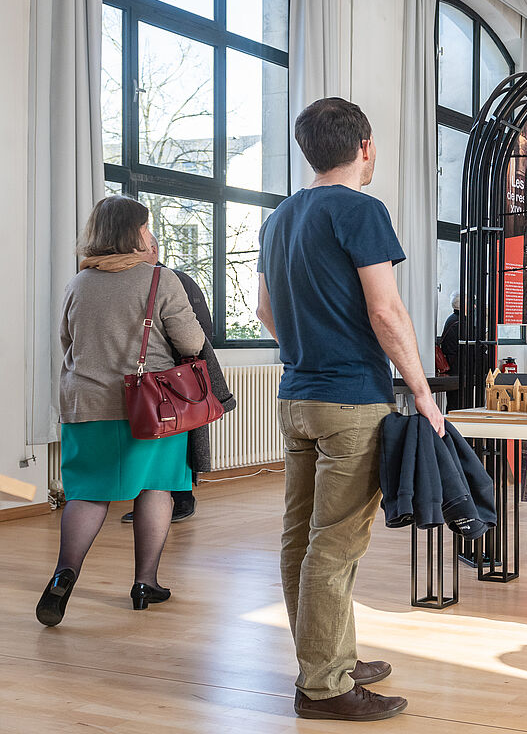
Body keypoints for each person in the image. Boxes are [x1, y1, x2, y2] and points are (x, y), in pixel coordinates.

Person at [256, 97, 445, 722]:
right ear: (365, 146)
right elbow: (386, 311)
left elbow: (264, 311)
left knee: (301, 539)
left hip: (297, 398)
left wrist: (308, 349)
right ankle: (324, 685)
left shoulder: (279, 218)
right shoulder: (361, 210)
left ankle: (327, 655)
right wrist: (422, 391)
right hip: (352, 401)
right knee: (335, 546)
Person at [36, 196, 206, 627]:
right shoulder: (160, 279)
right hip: (151, 406)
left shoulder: (78, 283)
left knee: (87, 494)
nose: (150, 235)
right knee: (155, 489)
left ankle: (62, 576)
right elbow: (191, 343)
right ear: (132, 233)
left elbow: (68, 342)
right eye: (145, 227)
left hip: (85, 403)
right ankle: (144, 584)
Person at [121, 232, 236, 524]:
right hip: (143, 376)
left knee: (180, 438)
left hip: (176, 377)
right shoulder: (130, 280)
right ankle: (148, 503)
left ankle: (183, 498)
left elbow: (200, 333)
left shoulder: (175, 280)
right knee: (148, 439)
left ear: (153, 250)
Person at [439, 291, 461, 412]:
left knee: (454, 401)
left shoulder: (452, 319)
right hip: (457, 367)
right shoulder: (459, 322)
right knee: (456, 403)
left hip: (454, 365)